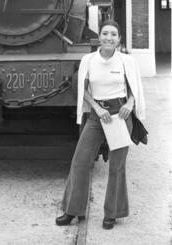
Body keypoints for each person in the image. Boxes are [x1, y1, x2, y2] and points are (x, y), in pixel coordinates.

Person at [55, 19, 145, 229]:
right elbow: (84, 90)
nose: (109, 38)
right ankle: (72, 210)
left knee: (117, 166)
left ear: (119, 39)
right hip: (98, 117)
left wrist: (130, 105)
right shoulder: (89, 60)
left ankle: (112, 213)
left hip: (121, 117)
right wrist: (97, 108)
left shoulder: (127, 61)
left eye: (113, 34)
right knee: (80, 161)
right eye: (105, 33)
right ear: (100, 37)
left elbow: (135, 89)